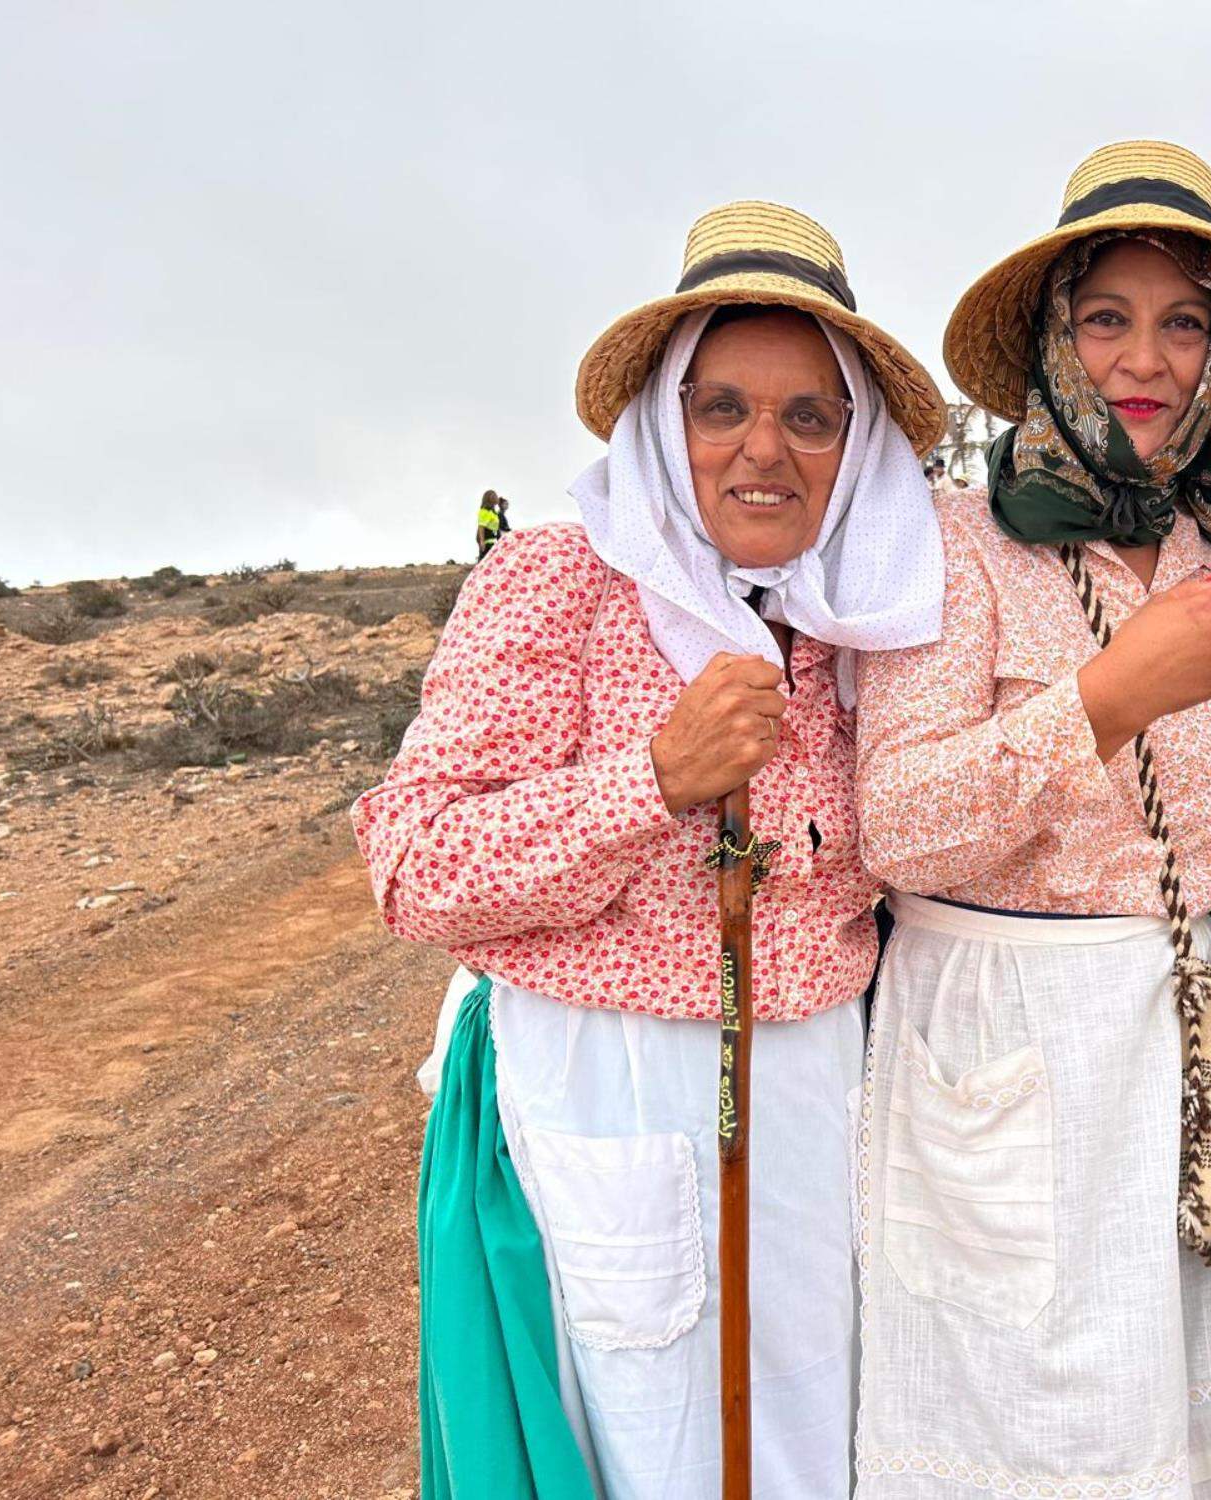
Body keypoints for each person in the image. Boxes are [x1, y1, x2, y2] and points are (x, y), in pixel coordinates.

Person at [354, 201, 949, 1499]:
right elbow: (415, 859)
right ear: (664, 424)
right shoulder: (563, 583)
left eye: (810, 417)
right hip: (611, 1094)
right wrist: (654, 781)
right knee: (654, 1447)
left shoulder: (876, 611)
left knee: (821, 1443)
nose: (763, 450)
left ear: (856, 444)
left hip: (825, 1105)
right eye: (722, 407)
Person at [851, 139, 1211, 1498]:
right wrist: (1109, 697)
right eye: (1105, 318)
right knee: (1027, 1429)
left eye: (1183, 324)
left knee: (1172, 1419)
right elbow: (898, 825)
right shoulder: (954, 540)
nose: (1146, 360)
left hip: (1170, 1048)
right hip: (1002, 1035)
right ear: (1053, 339)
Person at [474, 489, 503, 561]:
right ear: (489, 498)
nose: (497, 497)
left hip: (494, 541)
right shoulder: (484, 511)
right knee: (484, 562)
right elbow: (481, 527)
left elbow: (496, 528)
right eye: (494, 496)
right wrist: (482, 541)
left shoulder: (493, 512)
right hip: (487, 542)